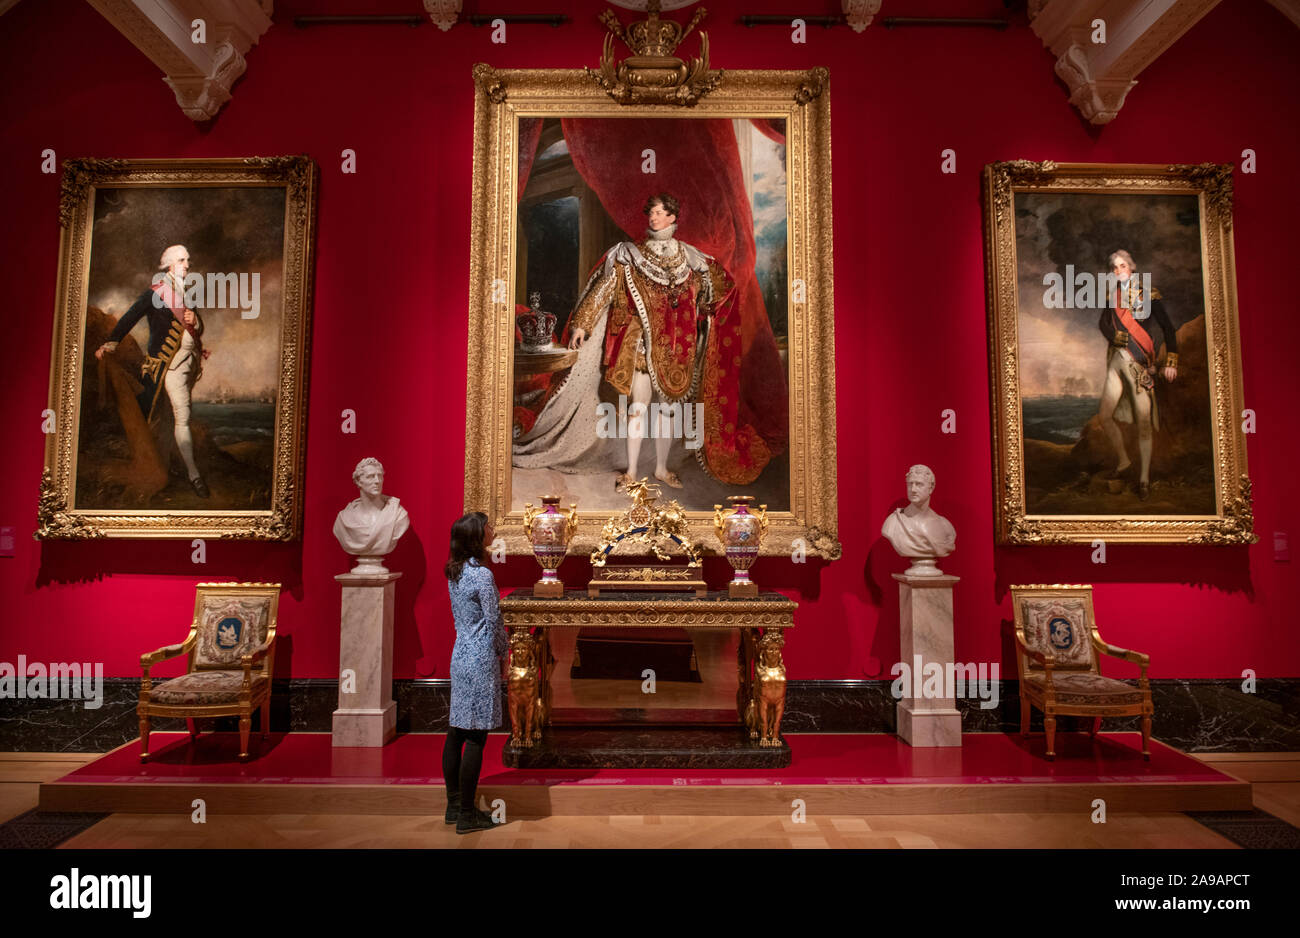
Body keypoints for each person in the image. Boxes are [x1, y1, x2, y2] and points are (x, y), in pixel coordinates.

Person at [537, 192, 769, 488]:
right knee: (638, 406)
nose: (653, 217)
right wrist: (582, 325)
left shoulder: (691, 258)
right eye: (651, 213)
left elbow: (718, 294)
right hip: (641, 345)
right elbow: (604, 289)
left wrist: (707, 315)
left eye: (659, 213)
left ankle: (660, 468)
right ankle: (632, 472)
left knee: (669, 410)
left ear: (672, 217)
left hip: (677, 345)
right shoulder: (629, 254)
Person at [94, 244, 211, 497]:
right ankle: (194, 475)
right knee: (180, 417)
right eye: (182, 260)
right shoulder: (154, 294)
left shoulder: (187, 293)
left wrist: (196, 322)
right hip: (168, 366)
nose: (187, 265)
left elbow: (197, 327)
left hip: (189, 364)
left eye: (188, 260)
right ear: (170, 265)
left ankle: (174, 464)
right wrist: (110, 343)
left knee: (171, 420)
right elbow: (129, 317)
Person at [443, 511, 508, 834]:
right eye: (488, 526)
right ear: (477, 536)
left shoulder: (454, 572)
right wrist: (504, 653)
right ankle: (468, 815)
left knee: (456, 731)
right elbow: (494, 620)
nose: (492, 530)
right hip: (480, 657)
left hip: (460, 655)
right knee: (476, 736)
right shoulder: (482, 576)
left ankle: (454, 806)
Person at [1096, 249, 1179, 501]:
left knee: (1144, 423)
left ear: (1131, 267)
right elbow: (1103, 324)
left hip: (1139, 363)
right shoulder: (1113, 296)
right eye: (1114, 267)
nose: (1119, 271)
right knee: (1105, 416)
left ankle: (1143, 478)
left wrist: (1171, 361)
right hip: (1116, 362)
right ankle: (1123, 462)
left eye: (1123, 266)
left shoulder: (1149, 294)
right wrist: (1114, 336)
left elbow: (1168, 329)